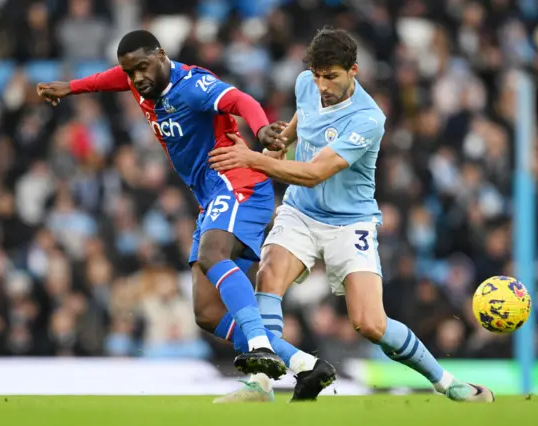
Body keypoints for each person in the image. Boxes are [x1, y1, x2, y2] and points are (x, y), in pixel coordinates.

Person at [209, 27, 495, 403]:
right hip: (300, 213)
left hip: (349, 222)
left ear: (353, 70)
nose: (322, 85)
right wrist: (282, 142)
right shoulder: (305, 84)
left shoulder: (368, 119)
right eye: (317, 75)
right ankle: (261, 384)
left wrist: (253, 159)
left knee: (370, 323)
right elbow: (303, 118)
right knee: (269, 275)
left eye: (332, 77)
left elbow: (314, 173)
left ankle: (445, 382)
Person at [37, 30, 329, 387]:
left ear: (161, 55)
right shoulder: (138, 81)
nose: (137, 78)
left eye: (143, 67)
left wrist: (263, 128)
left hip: (236, 180)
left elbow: (241, 100)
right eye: (131, 72)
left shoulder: (192, 85)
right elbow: (111, 78)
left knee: (212, 253)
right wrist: (71, 87)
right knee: (206, 313)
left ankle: (258, 345)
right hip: (209, 195)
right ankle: (304, 364)